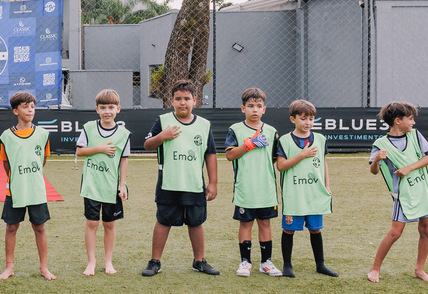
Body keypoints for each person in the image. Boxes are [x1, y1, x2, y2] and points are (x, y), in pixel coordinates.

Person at [141, 79, 219, 277]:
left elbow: (210, 154)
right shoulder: (163, 121)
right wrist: (162, 136)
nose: (182, 103)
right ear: (172, 101)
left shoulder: (204, 125)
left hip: (194, 184)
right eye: (178, 99)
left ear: (195, 100)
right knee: (163, 221)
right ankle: (154, 261)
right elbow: (148, 145)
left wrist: (213, 182)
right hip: (169, 184)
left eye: (186, 99)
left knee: (196, 222)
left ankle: (199, 261)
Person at [368, 102, 428, 283]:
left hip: (424, 191)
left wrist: (409, 168)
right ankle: (375, 269)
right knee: (395, 233)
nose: (413, 123)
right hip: (403, 195)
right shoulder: (381, 144)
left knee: (426, 229)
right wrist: (376, 159)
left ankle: (420, 270)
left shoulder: (416, 136)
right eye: (410, 119)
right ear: (397, 121)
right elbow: (374, 171)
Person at [274, 99, 338, 278]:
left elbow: (323, 163)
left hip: (314, 194)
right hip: (294, 194)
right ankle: (287, 265)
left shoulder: (320, 139)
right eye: (303, 118)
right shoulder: (285, 141)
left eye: (311, 119)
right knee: (289, 230)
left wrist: (327, 185)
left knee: (316, 229)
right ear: (292, 119)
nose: (308, 122)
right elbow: (281, 166)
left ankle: (320, 265)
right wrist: (302, 155)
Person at [224, 87, 282, 277]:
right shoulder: (235, 129)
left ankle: (266, 262)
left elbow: (275, 158)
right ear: (243, 108)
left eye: (258, 106)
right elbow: (230, 155)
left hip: (266, 189)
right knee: (246, 224)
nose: (254, 110)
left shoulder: (272, 131)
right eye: (250, 106)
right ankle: (245, 262)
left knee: (265, 224)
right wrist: (249, 145)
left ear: (264, 109)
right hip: (245, 188)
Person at [0, 92, 55, 281]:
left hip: (36, 189)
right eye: (25, 106)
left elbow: (42, 160)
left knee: (39, 227)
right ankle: (9, 267)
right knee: (11, 227)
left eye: (32, 106)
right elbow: (7, 164)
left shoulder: (43, 134)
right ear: (15, 111)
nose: (30, 110)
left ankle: (44, 267)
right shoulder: (7, 137)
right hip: (15, 190)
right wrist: (17, 179)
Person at [76, 88, 130, 276]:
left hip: (111, 187)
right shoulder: (89, 128)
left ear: (118, 109)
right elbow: (79, 151)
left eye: (111, 107)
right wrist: (99, 148)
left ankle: (108, 261)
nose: (107, 111)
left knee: (109, 224)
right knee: (92, 223)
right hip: (92, 185)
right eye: (103, 107)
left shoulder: (123, 134)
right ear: (97, 109)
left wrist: (122, 185)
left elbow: (124, 160)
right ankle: (91, 261)